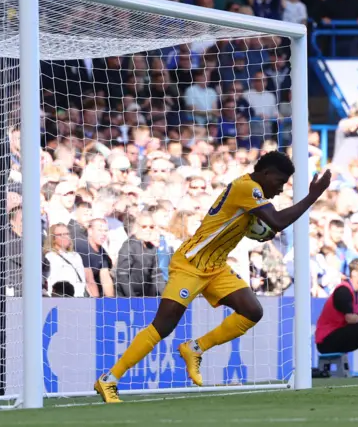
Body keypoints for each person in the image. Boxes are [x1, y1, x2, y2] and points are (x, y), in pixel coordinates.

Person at [95, 151, 332, 402]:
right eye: (279, 182)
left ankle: (194, 348)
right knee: (163, 326)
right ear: (266, 174)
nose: (281, 189)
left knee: (252, 311)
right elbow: (276, 221)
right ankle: (108, 380)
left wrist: (260, 230)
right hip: (190, 264)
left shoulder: (253, 194)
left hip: (216, 267)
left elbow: (260, 225)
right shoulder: (247, 188)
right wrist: (313, 196)